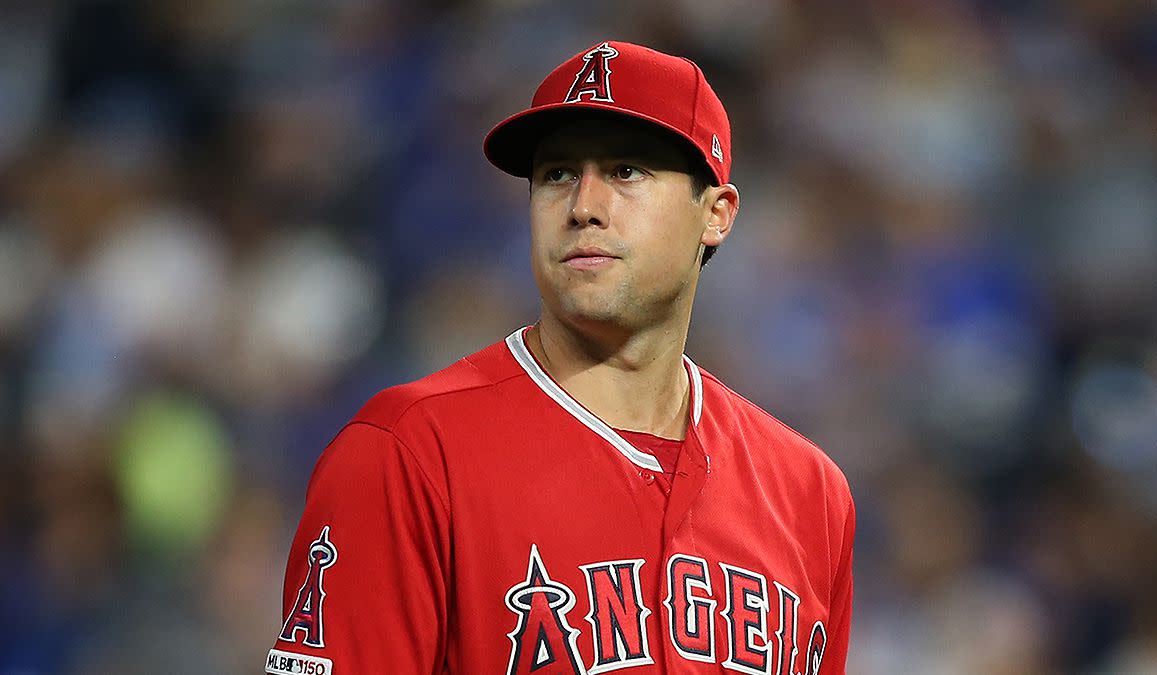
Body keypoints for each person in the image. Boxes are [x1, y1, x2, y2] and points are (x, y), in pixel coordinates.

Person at [265, 40, 854, 675]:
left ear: (716, 214)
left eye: (627, 171)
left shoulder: (810, 497)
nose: (583, 207)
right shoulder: (409, 451)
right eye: (557, 175)